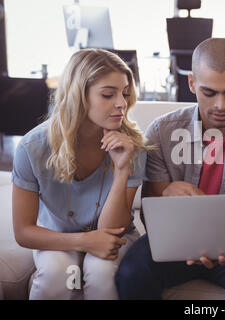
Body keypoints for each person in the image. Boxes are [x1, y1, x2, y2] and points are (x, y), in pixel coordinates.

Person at [115, 38, 225, 300]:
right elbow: (151, 217)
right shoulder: (162, 132)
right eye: (209, 92)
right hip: (175, 243)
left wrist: (222, 239)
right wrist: (165, 194)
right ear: (192, 83)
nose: (221, 104)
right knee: (131, 275)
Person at [11, 49, 149, 300]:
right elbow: (23, 231)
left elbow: (112, 229)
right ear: (78, 95)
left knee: (101, 271)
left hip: (115, 235)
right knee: (56, 273)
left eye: (125, 93)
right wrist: (85, 241)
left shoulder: (132, 146)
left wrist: (121, 171)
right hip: (56, 237)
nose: (121, 103)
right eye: (108, 94)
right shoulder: (33, 147)